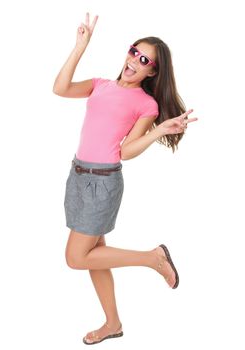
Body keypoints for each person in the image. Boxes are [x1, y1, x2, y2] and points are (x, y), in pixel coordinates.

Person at [53, 12, 198, 345]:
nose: (134, 60)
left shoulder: (146, 104)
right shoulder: (101, 85)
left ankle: (152, 258)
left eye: (144, 59)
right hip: (77, 176)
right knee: (93, 254)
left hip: (103, 183)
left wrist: (158, 130)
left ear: (153, 71)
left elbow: (127, 151)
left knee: (76, 257)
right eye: (134, 51)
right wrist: (80, 46)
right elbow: (60, 88)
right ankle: (113, 323)